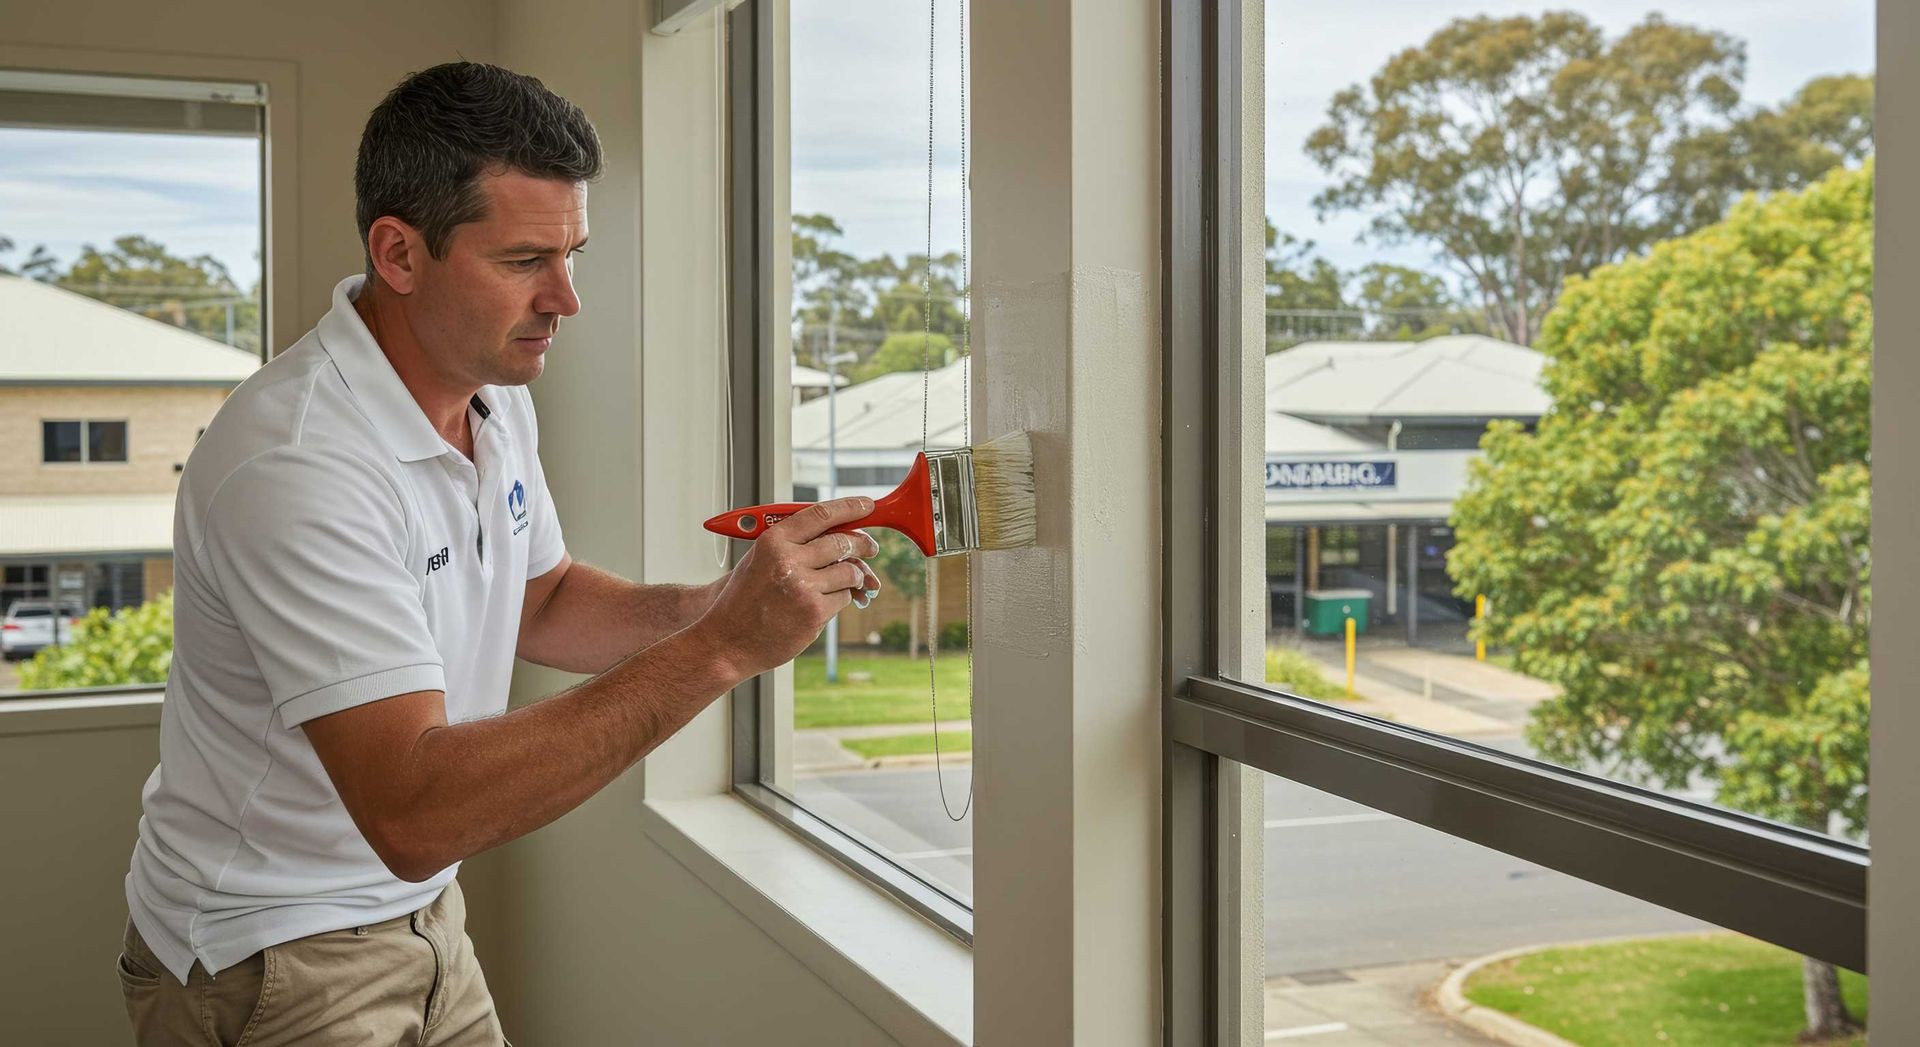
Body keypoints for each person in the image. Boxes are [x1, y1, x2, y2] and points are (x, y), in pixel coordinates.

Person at [114, 61, 881, 1046]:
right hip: (272, 955)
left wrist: (724, 604)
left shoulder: (494, 394)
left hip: (428, 918)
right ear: (398, 252)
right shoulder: (297, 463)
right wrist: (724, 648)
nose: (567, 299)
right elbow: (413, 811)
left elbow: (541, 599)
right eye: (525, 261)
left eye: (574, 255)